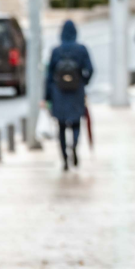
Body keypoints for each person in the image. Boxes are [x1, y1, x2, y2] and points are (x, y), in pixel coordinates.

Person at [44, 20, 94, 172]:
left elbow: (48, 75)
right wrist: (82, 82)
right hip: (76, 92)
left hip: (58, 93)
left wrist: (46, 96)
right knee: (76, 123)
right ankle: (75, 148)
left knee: (61, 126)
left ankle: (64, 158)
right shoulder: (81, 49)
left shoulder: (56, 50)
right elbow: (90, 69)